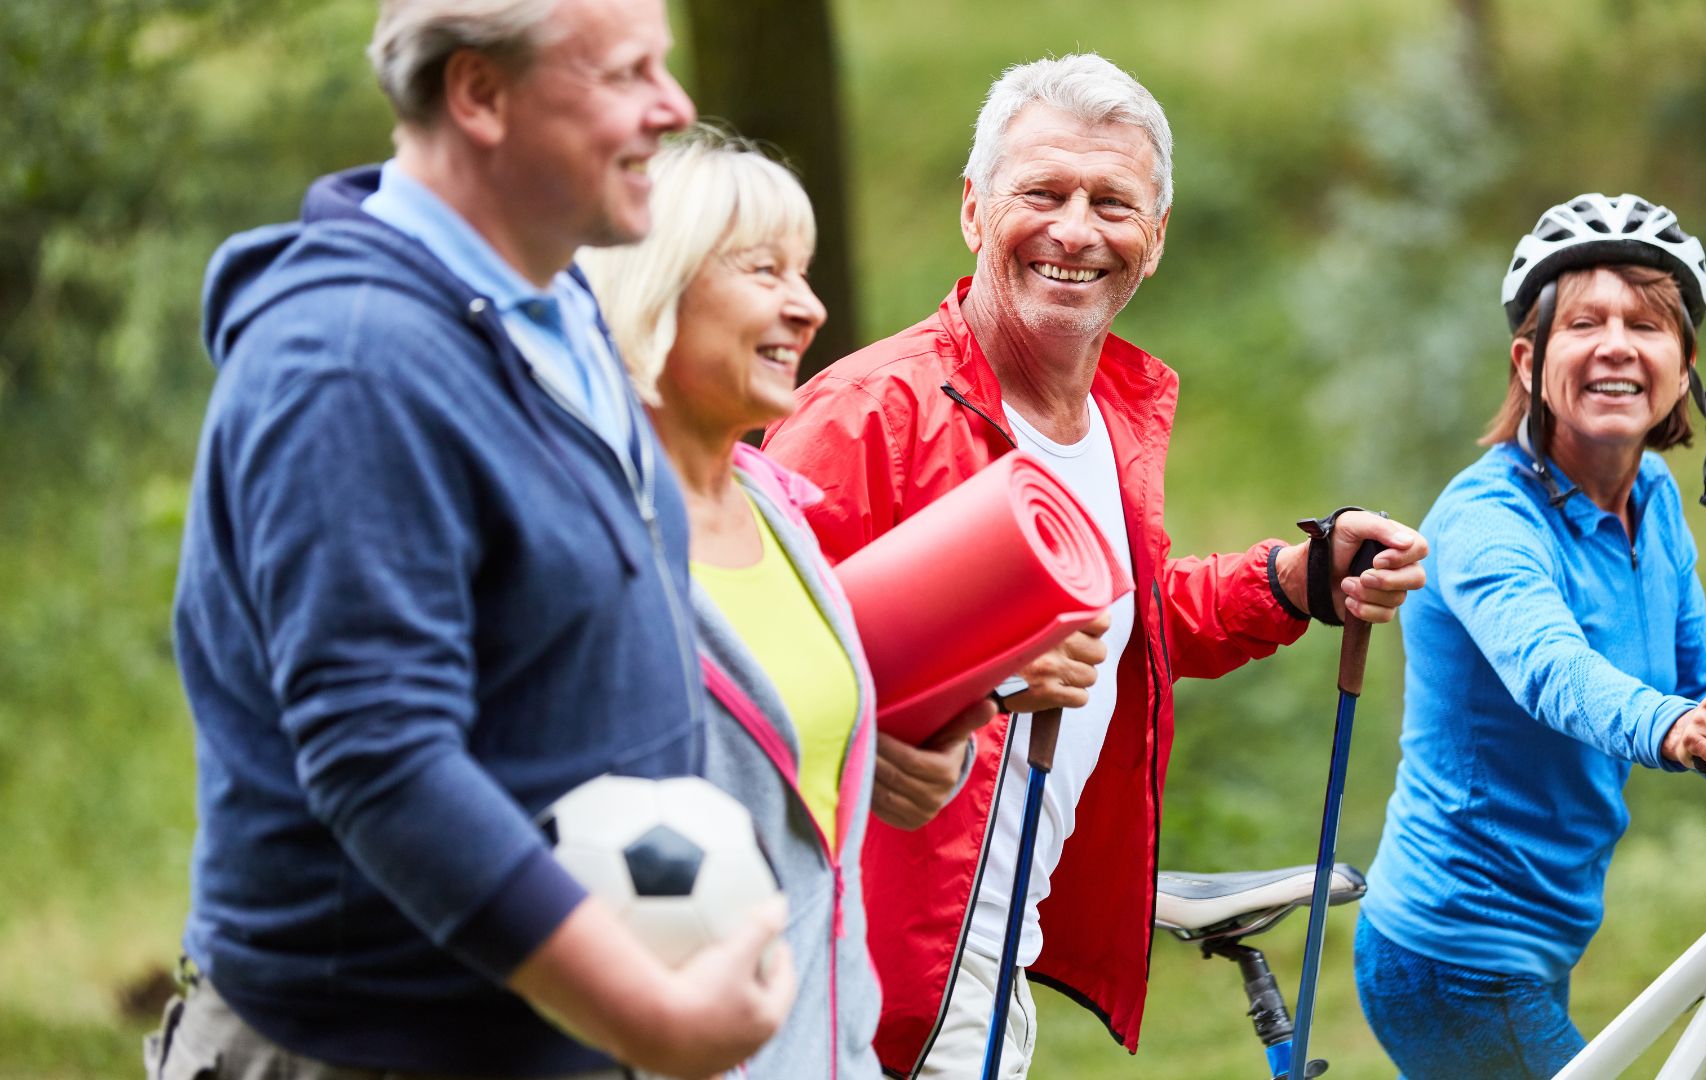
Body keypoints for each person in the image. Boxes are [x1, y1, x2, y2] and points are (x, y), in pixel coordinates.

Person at [156, 2, 797, 1078]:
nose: (675, 109)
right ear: (479, 94)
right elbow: (384, 761)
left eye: (667, 67)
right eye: (625, 73)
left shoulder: (555, 305)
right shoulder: (352, 366)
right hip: (371, 1049)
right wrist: (646, 1014)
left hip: (544, 1034)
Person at [761, 52, 1429, 1077]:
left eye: (1112, 202)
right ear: (975, 213)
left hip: (990, 960)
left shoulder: (1110, 417)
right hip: (862, 973)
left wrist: (1293, 581)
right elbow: (740, 670)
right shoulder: (867, 418)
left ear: (1153, 240)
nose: (1076, 230)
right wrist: (932, 701)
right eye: (1043, 192)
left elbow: (1120, 626)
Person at [1354, 193, 1706, 1078]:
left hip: (1542, 937)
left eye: (1646, 323)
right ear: (1530, 362)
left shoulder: (1653, 501)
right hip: (1453, 955)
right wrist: (1673, 728)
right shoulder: (1486, 518)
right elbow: (1554, 671)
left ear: (1682, 368)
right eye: (1585, 322)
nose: (1616, 343)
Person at [576, 129, 995, 1077]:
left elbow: (792, 754)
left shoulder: (776, 506)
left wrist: (900, 753)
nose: (807, 307)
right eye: (763, 270)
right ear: (656, 280)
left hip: (819, 1044)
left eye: (803, 273)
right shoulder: (578, 537)